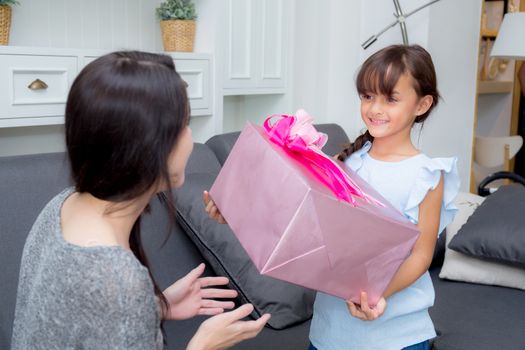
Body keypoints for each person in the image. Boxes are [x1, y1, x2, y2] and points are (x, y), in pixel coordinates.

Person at [11, 51, 270, 350]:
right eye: (185, 125)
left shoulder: (62, 205)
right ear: (150, 147)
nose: (190, 138)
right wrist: (202, 346)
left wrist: (154, 306)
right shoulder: (117, 278)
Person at [306, 44, 460, 350]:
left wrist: (377, 293)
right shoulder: (345, 163)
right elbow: (307, 216)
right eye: (367, 96)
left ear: (422, 104)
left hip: (399, 334)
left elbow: (420, 254)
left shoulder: (427, 174)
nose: (375, 109)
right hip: (330, 329)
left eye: (390, 99)